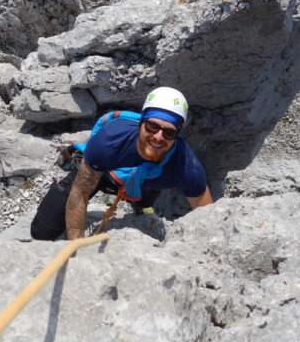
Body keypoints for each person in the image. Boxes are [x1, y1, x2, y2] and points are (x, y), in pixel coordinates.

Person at [29, 87, 214, 241]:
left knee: (149, 187)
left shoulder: (186, 167)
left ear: (177, 136)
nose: (158, 137)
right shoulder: (110, 141)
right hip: (102, 172)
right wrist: (77, 246)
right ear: (141, 123)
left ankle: (142, 206)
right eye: (152, 126)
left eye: (169, 132)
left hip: (146, 180)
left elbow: (209, 217)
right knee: (41, 232)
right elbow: (81, 192)